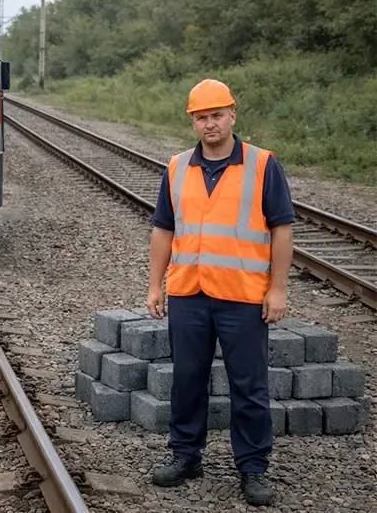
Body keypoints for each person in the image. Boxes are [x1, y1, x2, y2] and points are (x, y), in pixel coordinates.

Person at [146, 79, 294, 507]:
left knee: (249, 385)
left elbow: (282, 229)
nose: (209, 124)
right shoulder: (176, 167)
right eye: (201, 117)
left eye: (216, 115)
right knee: (187, 380)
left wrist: (278, 289)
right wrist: (156, 284)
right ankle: (185, 455)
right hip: (190, 293)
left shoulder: (263, 165)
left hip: (244, 295)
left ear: (232, 115)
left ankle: (252, 468)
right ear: (192, 121)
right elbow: (163, 229)